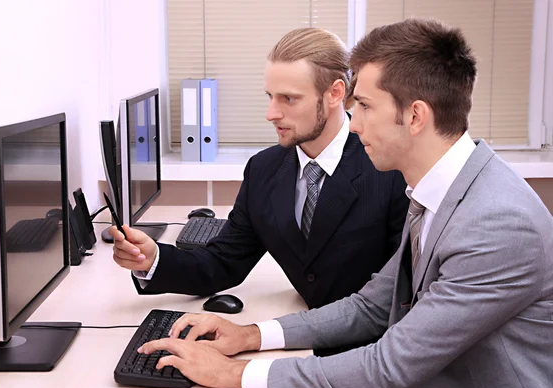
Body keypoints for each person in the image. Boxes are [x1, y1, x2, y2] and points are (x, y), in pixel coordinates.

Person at [136, 18, 553, 388]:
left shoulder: (497, 223)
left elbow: (387, 368)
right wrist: (249, 336)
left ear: (415, 116)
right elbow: (371, 306)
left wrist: (235, 373)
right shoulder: (438, 191)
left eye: (366, 107)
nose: (353, 123)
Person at [111, 28, 408, 311]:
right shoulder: (264, 169)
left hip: (371, 346)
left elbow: (400, 293)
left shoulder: (389, 169)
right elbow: (223, 262)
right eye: (270, 96)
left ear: (334, 93)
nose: (271, 114)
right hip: (300, 334)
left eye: (288, 98)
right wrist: (153, 260)